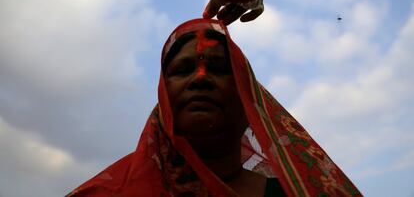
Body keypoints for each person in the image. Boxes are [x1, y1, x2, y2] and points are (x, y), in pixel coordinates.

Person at [67, 18, 362, 196]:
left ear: (250, 102)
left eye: (220, 68)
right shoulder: (111, 192)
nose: (200, 79)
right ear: (163, 100)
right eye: (183, 69)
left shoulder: (296, 191)